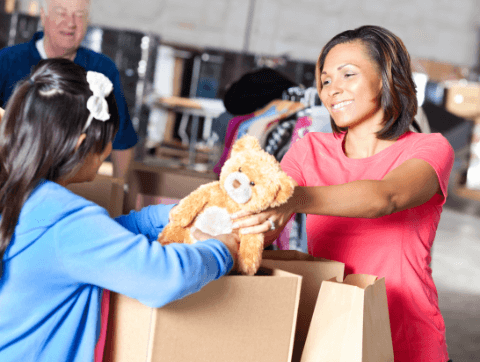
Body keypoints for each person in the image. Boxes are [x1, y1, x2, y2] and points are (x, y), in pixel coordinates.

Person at [232, 25, 454, 362]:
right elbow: (267, 225)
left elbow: (386, 198)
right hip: (333, 334)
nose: (332, 90)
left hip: (407, 340)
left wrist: (294, 197)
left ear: (385, 77)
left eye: (347, 74)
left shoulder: (429, 148)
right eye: (325, 81)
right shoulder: (309, 150)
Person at [0, 58, 239, 362]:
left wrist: (177, 214)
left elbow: (101, 241)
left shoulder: (22, 196)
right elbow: (164, 277)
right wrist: (222, 251)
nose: (108, 151)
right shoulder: (65, 220)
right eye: (106, 139)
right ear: (80, 144)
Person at [0, 0, 137, 180]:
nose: (71, 22)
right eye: (61, 13)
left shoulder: (102, 69)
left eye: (79, 15)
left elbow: (121, 139)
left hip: (74, 181)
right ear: (44, 15)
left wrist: (120, 189)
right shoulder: (7, 61)